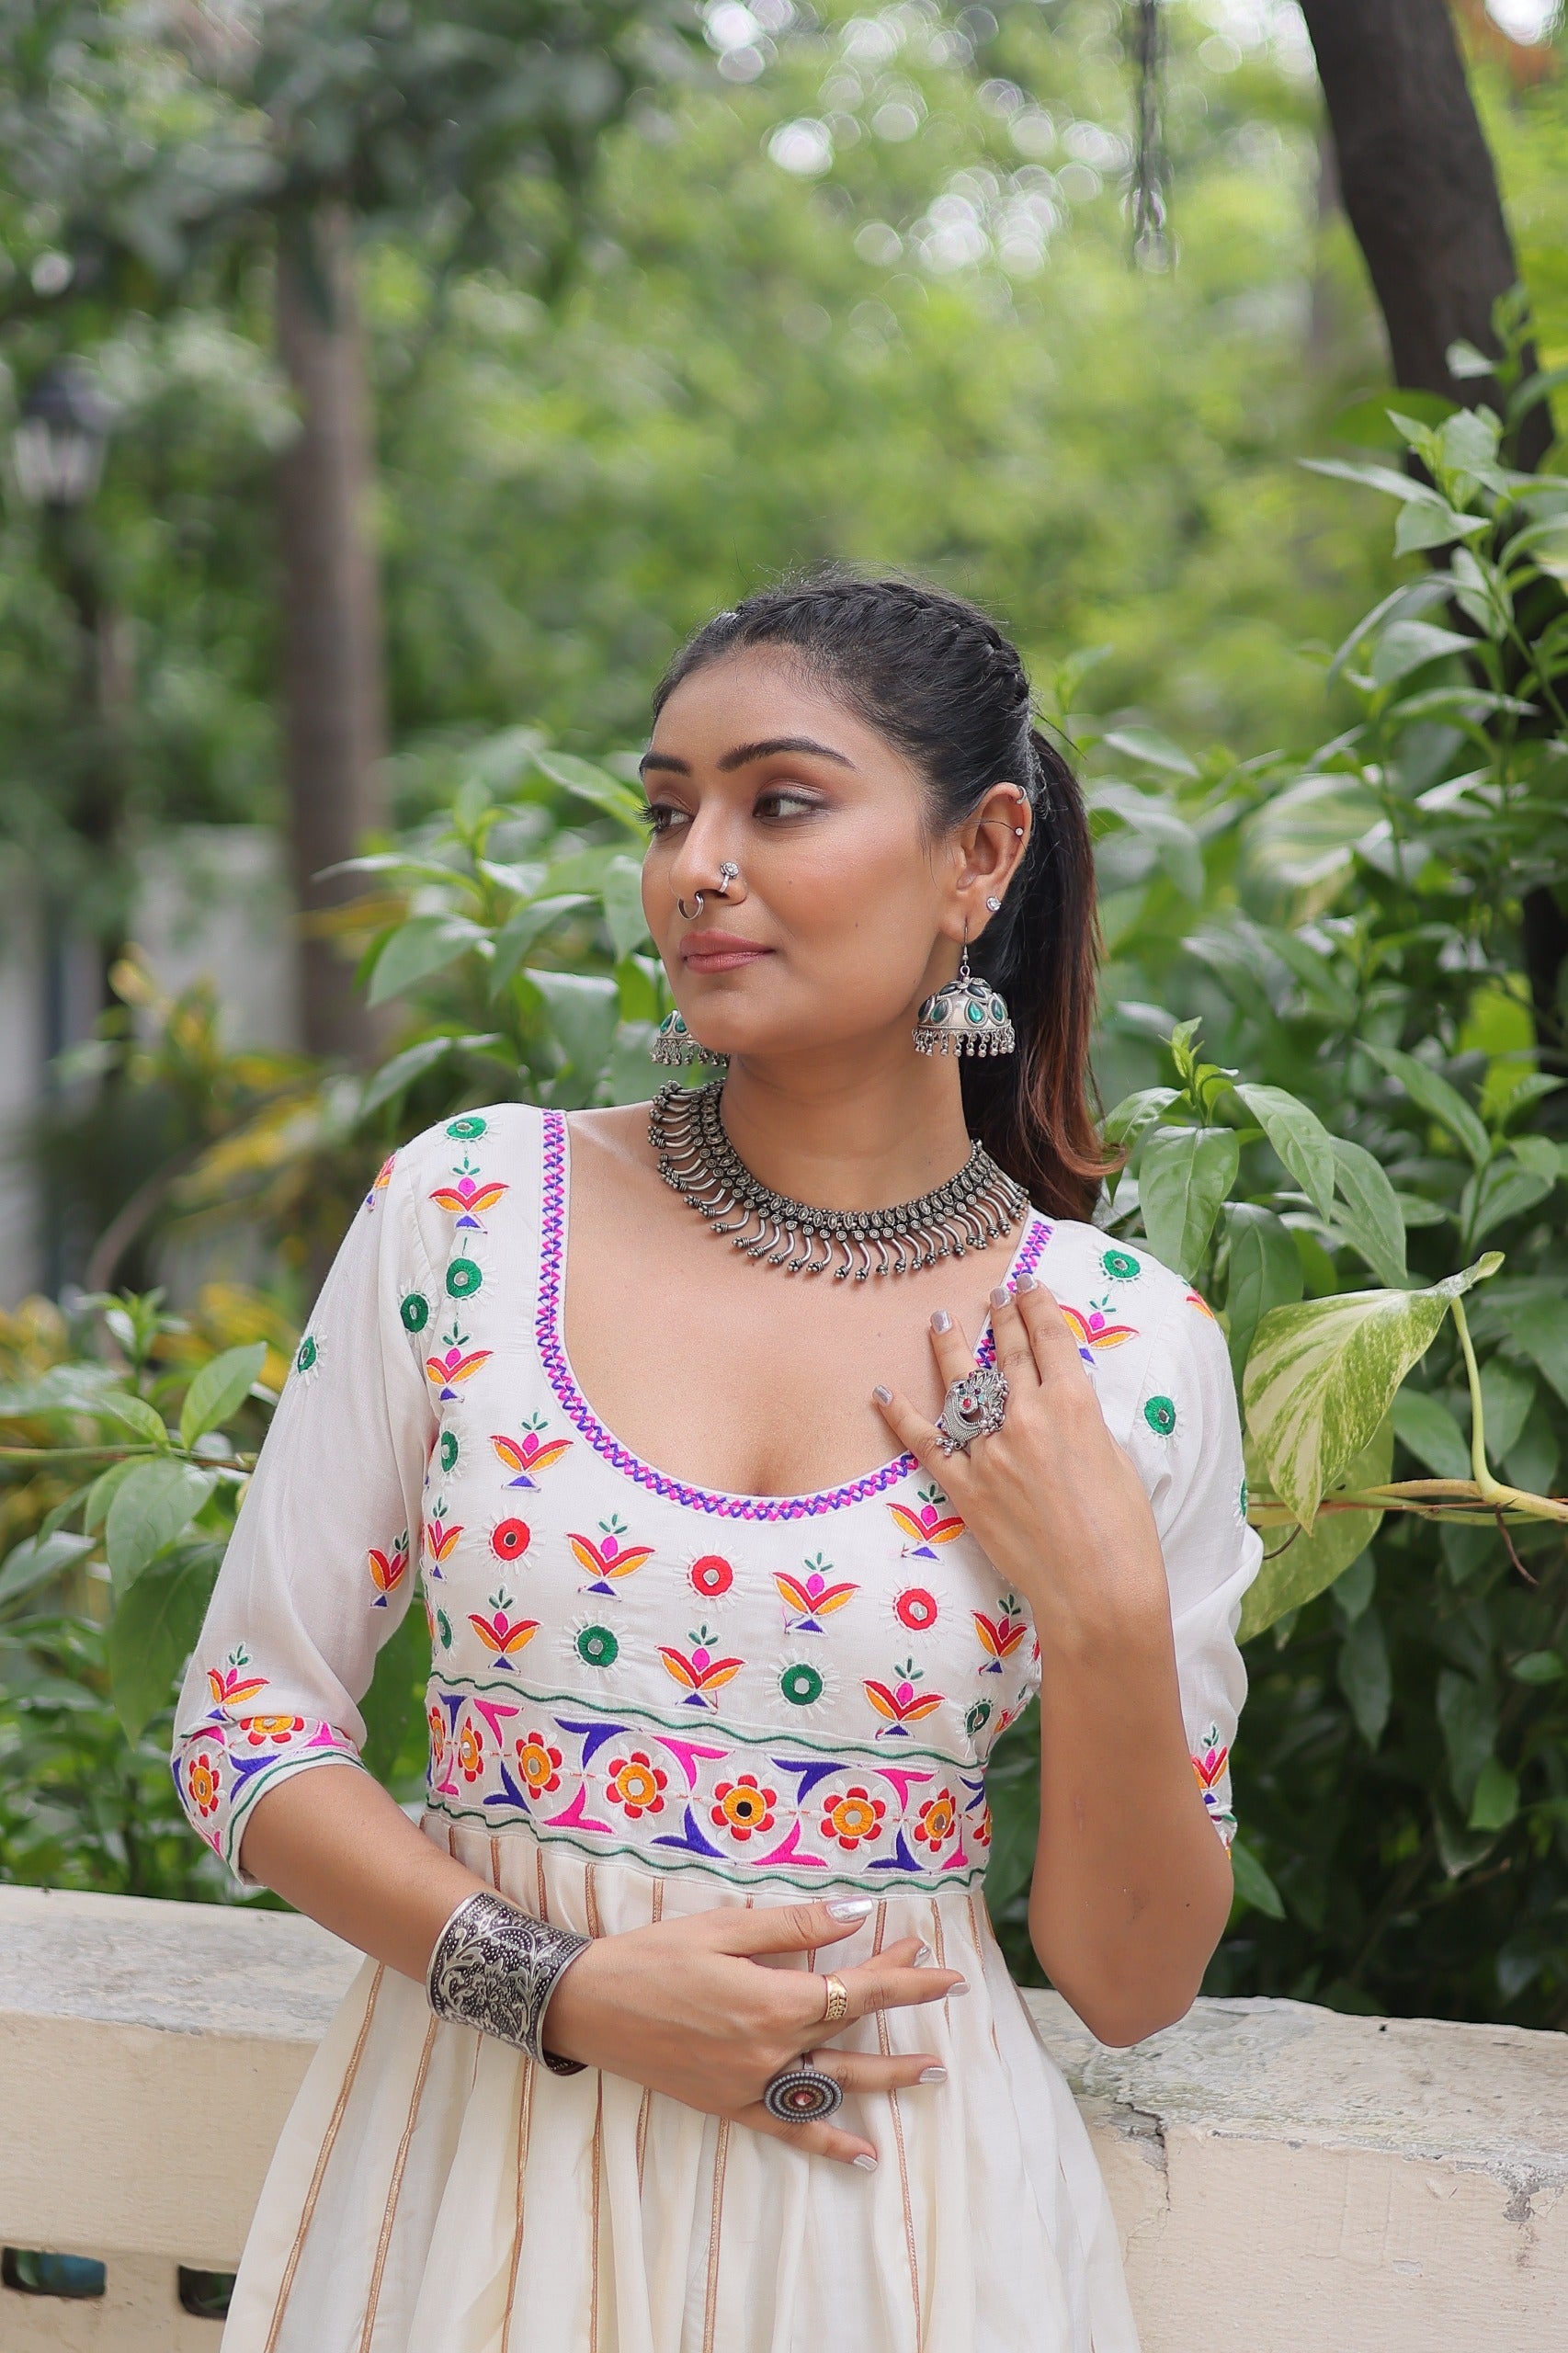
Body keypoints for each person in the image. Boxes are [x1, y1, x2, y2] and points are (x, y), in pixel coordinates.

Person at [171, 572, 1259, 2353]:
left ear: (981, 854)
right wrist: (564, 1988)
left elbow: (1130, 1982)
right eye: (667, 811)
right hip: (475, 2190)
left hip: (898, 2235)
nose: (697, 865)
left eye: (781, 802)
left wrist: (1107, 1613)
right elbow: (246, 1724)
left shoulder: (1119, 1350)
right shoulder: (474, 1208)